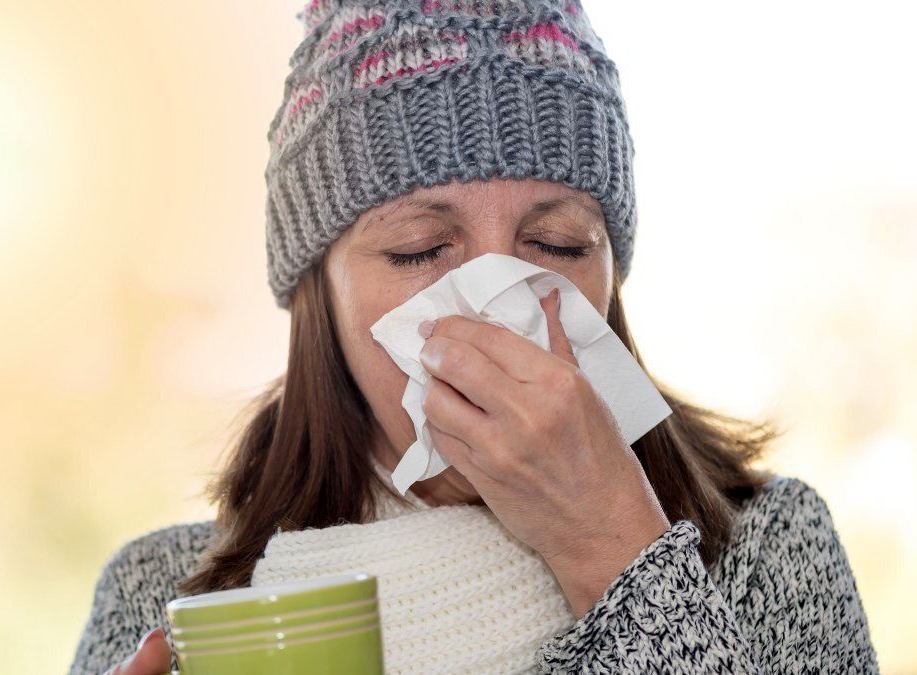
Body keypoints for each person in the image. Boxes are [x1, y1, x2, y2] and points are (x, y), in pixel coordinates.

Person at [68, 1, 880, 673]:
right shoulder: (170, 597)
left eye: (558, 245)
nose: (496, 309)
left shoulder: (766, 547)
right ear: (321, 293)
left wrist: (613, 548)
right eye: (420, 249)